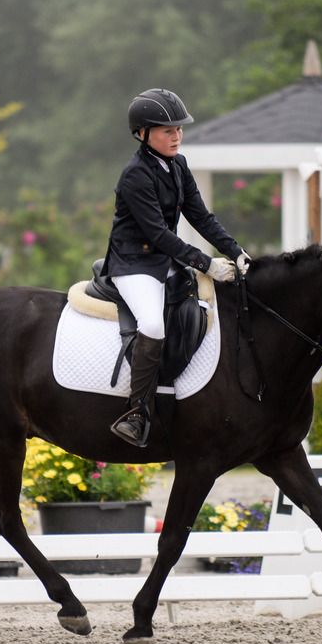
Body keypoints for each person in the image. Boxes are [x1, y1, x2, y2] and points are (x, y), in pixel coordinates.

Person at [104, 87, 250, 447]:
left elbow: (200, 216)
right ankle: (137, 412)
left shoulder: (178, 165)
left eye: (179, 129)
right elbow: (157, 233)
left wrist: (236, 250)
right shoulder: (135, 175)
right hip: (134, 264)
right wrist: (206, 263)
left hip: (163, 261)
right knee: (152, 324)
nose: (176, 136)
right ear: (143, 133)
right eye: (167, 130)